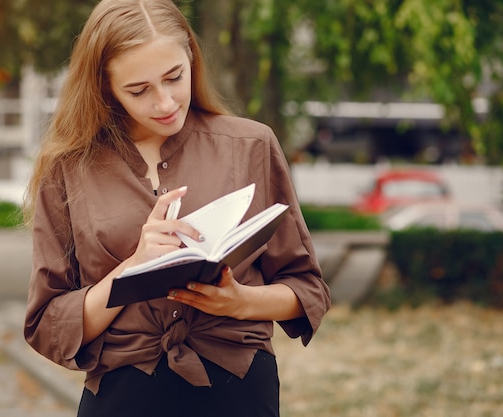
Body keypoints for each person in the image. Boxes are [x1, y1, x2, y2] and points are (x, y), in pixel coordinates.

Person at [22, 1, 331, 416]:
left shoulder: (251, 146)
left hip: (238, 388)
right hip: (122, 395)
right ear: (104, 86)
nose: (165, 102)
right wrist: (132, 267)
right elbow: (47, 323)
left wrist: (239, 302)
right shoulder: (68, 169)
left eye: (174, 77)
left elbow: (308, 290)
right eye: (139, 90)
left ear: (192, 59)